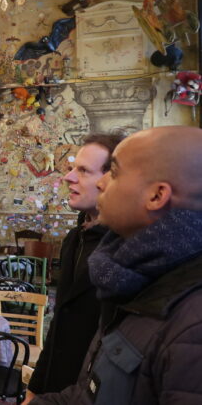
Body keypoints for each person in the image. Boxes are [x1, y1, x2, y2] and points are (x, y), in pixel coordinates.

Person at [32, 126, 202, 404]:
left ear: (157, 196)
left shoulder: (190, 319)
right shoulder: (125, 273)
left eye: (116, 171)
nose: (102, 183)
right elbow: (88, 394)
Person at [25, 133, 124, 400]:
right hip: (56, 390)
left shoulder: (127, 250)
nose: (68, 178)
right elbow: (59, 326)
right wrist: (35, 387)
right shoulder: (74, 239)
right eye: (71, 169)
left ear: (111, 180)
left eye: (82, 170)